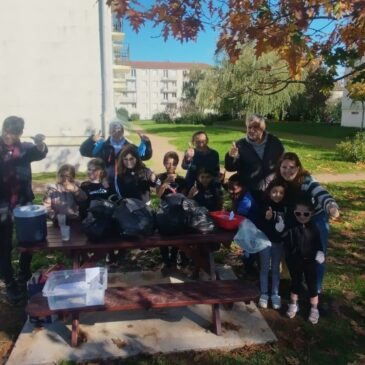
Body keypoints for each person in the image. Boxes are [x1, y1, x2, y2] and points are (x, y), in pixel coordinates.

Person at [276, 152, 340, 293]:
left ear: (298, 168)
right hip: (296, 215)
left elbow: (320, 192)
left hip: (316, 216)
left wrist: (331, 206)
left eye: (292, 167)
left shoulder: (307, 181)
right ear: (279, 168)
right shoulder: (281, 183)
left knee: (317, 254)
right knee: (293, 250)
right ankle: (295, 284)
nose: (288, 171)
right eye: (284, 167)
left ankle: (315, 290)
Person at [0, 116, 48, 304]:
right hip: (2, 205)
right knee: (4, 247)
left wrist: (41, 144)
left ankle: (24, 274)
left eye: (13, 133)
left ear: (19, 133)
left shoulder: (25, 148)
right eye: (6, 131)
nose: (8, 136)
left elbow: (40, 153)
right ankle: (10, 283)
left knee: (27, 242)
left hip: (23, 203)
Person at [225, 114, 284, 205]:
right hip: (249, 192)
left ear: (263, 128)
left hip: (272, 191)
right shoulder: (240, 145)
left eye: (256, 127)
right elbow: (230, 168)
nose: (252, 130)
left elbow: (282, 162)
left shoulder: (274, 142)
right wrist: (231, 156)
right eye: (249, 127)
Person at [284, 197, 325, 324]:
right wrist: (289, 258)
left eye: (306, 214)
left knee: (312, 284)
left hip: (310, 261)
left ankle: (314, 308)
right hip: (296, 261)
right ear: (294, 213)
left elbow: (318, 243)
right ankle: (293, 303)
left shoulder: (314, 228)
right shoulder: (292, 228)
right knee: (295, 282)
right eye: (298, 213)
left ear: (311, 214)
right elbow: (287, 244)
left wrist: (320, 253)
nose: (302, 216)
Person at [79, 121, 152, 188]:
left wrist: (147, 143)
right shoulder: (102, 147)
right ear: (109, 132)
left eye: (118, 130)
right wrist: (92, 139)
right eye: (113, 130)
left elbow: (145, 156)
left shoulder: (129, 147)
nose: (116, 132)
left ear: (123, 132)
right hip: (107, 183)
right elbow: (83, 151)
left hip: (126, 184)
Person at [257, 179, 287, 310]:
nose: (277, 195)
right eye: (274, 192)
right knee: (264, 268)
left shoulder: (285, 207)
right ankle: (264, 293)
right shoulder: (265, 205)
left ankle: (275, 294)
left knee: (275, 269)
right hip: (265, 242)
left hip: (278, 243)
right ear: (269, 192)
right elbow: (259, 223)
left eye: (281, 192)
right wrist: (266, 217)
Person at [156, 151, 188, 270]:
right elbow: (158, 195)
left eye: (174, 164)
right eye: (168, 163)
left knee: (178, 235)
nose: (171, 166)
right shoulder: (160, 177)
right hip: (163, 212)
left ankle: (174, 257)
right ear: (164, 163)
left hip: (177, 213)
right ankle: (166, 260)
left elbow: (184, 198)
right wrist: (165, 183)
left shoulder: (181, 180)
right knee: (162, 236)